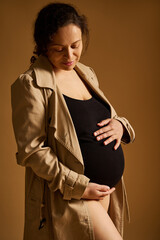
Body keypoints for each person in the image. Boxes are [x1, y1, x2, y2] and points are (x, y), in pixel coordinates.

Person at [11, 3, 135, 240]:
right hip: (71, 194)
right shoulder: (30, 85)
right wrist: (79, 187)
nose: (69, 56)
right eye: (59, 49)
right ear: (43, 46)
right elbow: (32, 151)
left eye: (75, 46)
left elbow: (103, 117)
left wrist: (120, 125)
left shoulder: (85, 73)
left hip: (105, 191)